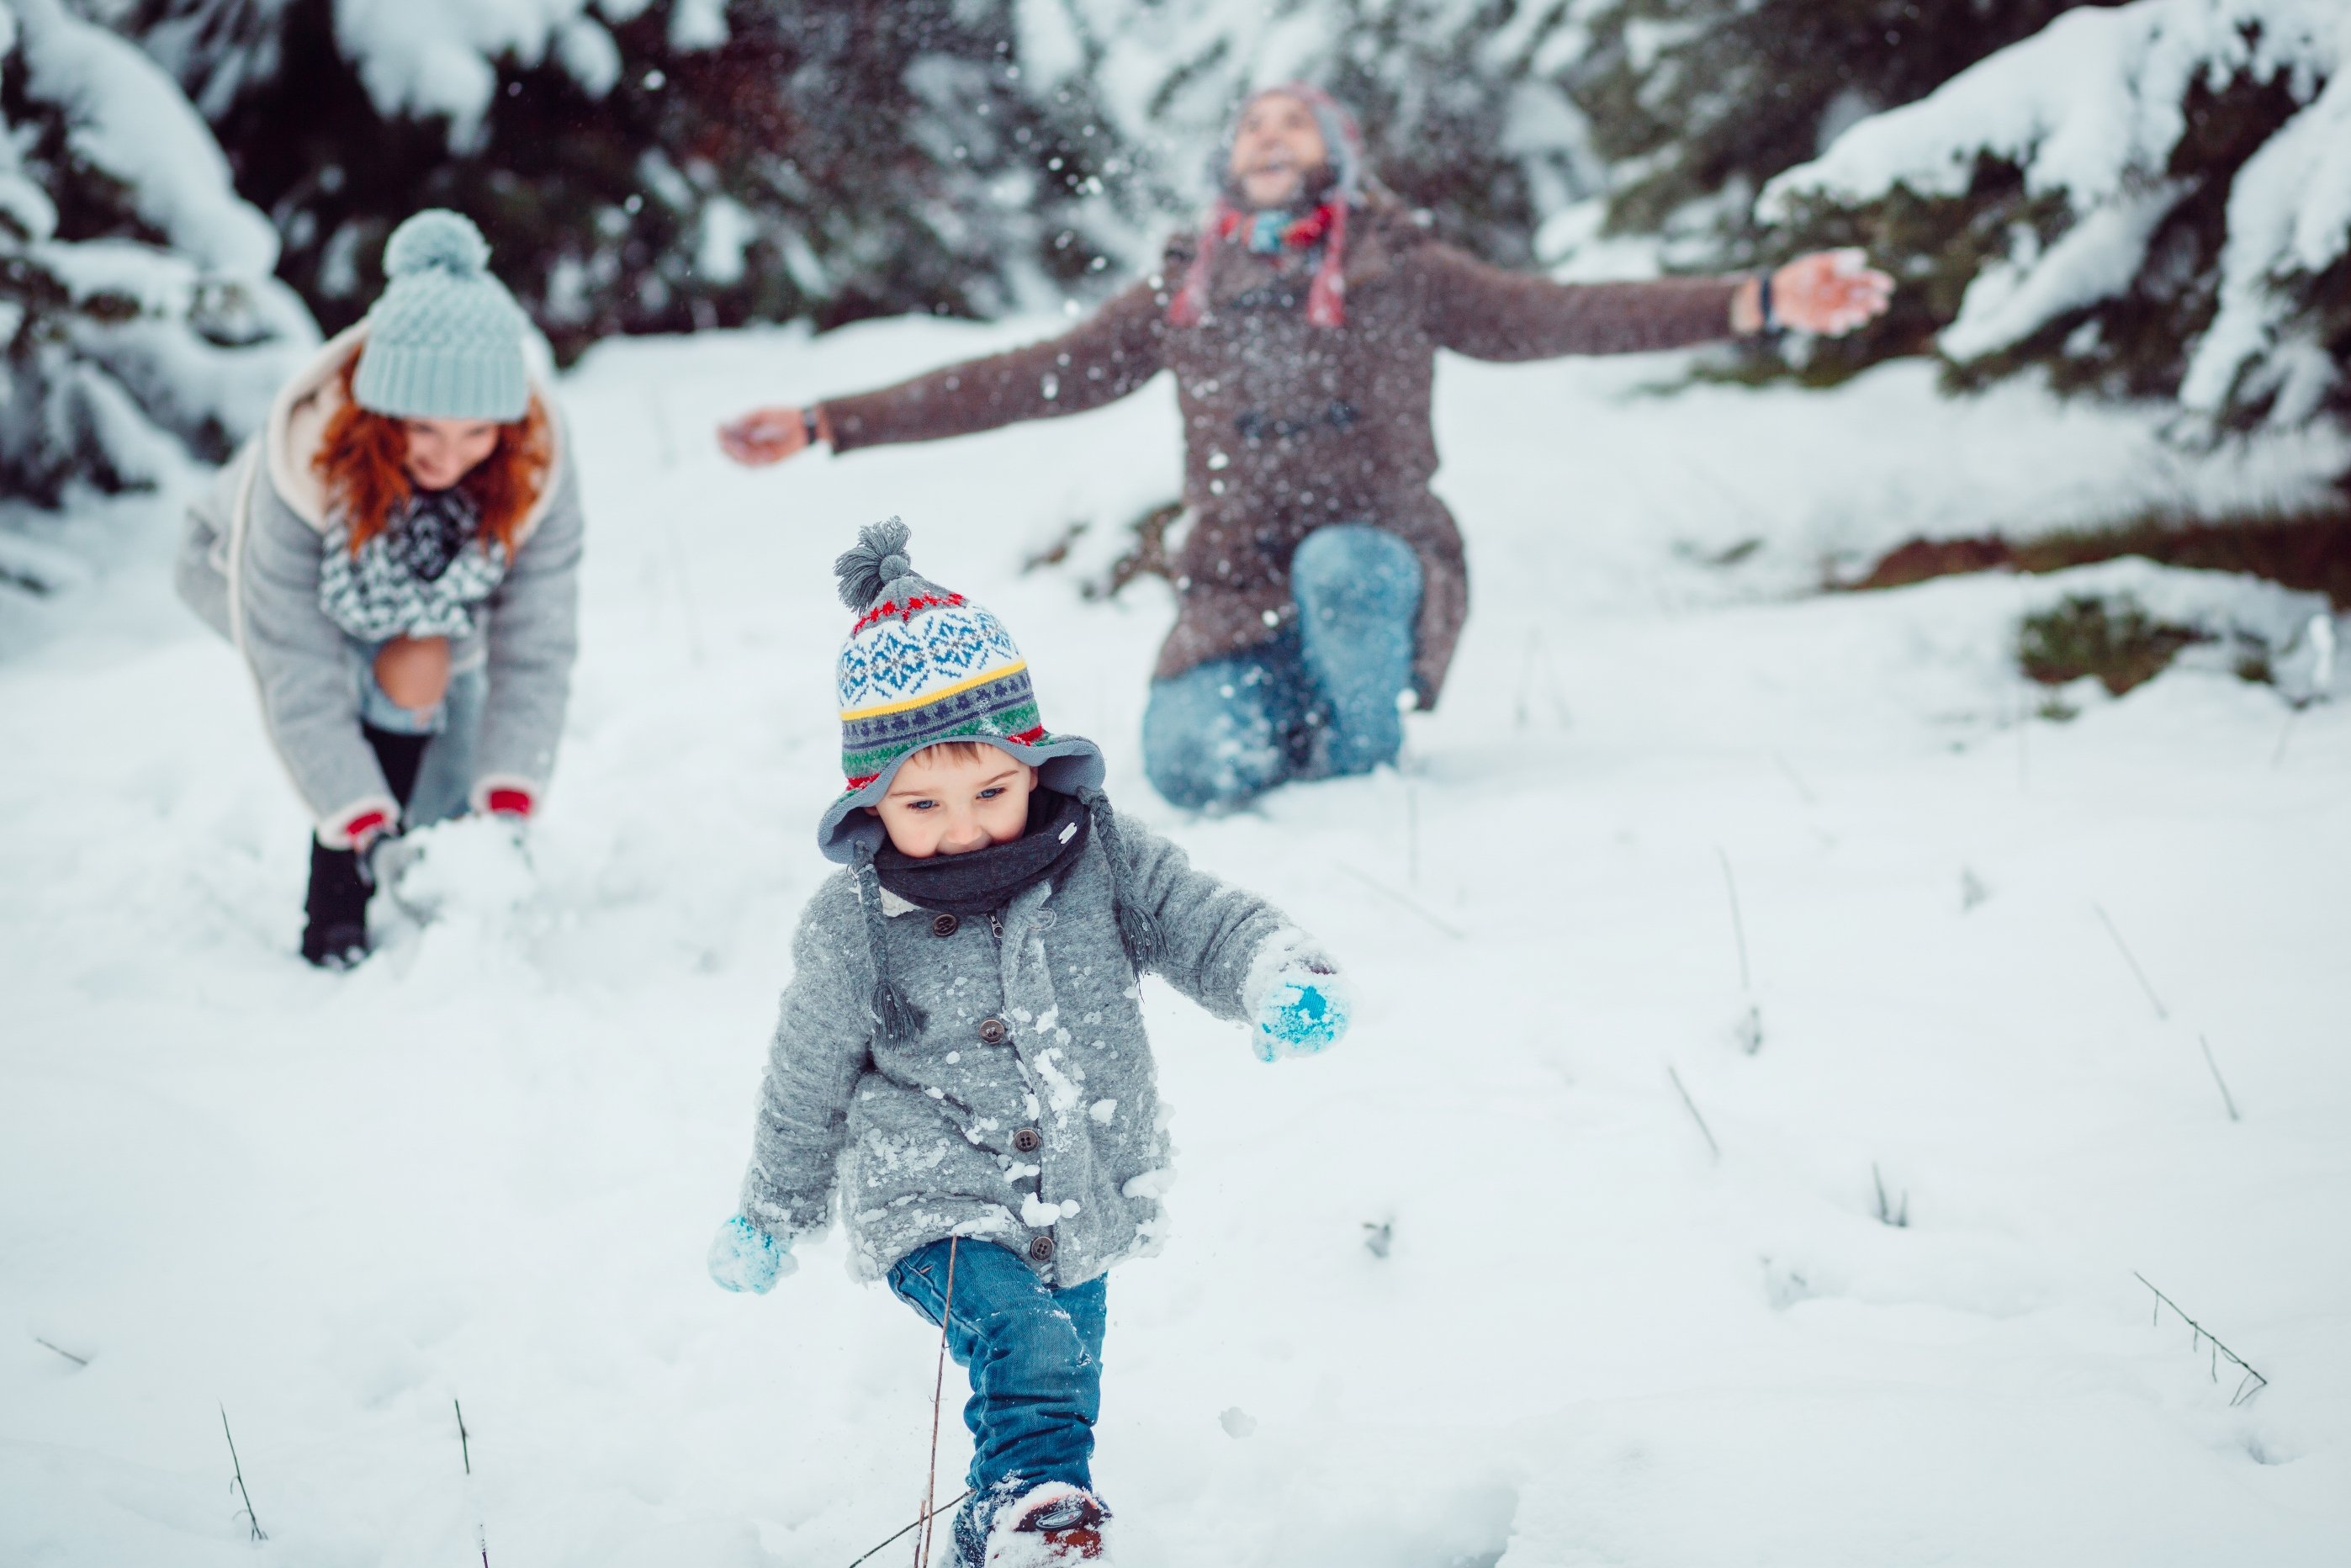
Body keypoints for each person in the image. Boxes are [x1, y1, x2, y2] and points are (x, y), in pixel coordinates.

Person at [719, 85, 1892, 810]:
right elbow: (1026, 378)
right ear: (1228, 164)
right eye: (1251, 124)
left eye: (1295, 122)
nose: (1268, 135)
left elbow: (1563, 316)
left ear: (1334, 153)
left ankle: (1360, 779)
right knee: (1185, 769)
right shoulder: (1186, 287)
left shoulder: (1401, 269)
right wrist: (835, 422)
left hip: (1375, 564)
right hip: (1233, 589)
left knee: (1345, 568)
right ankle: (1304, 713)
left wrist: (1756, 298)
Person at [706, 520, 1350, 1567]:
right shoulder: (853, 923)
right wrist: (773, 1210)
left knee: (1061, 1382)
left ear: (1033, 766)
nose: (962, 828)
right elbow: (806, 1075)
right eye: (922, 804)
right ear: (869, 800)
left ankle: (1014, 1528)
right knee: (1026, 1340)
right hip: (929, 1190)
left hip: (1082, 1177)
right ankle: (1031, 1511)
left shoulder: (1094, 855)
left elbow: (1194, 917)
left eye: (990, 792)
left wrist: (1272, 971)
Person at [177, 210, 585, 967]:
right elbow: (296, 664)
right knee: (404, 680)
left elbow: (538, 641)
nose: (450, 458)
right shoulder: (305, 460)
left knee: (449, 816)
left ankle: (407, 810)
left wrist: (511, 793)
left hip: (423, 600)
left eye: (475, 433)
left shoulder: (536, 464)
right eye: (424, 431)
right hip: (238, 573)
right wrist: (356, 814)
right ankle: (335, 903)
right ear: (381, 412)